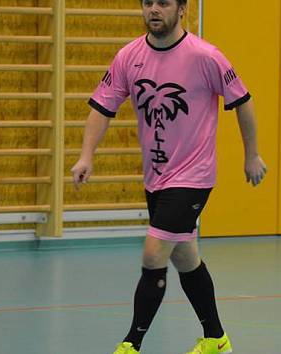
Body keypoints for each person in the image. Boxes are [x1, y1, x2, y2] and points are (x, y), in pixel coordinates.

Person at [70, 0, 267, 353]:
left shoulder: (205, 56)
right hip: (157, 177)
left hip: (194, 175)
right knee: (185, 258)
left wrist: (251, 154)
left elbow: (243, 101)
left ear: (182, 9)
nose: (154, 10)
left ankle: (131, 344)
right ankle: (217, 340)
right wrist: (87, 155)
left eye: (163, 3)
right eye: (148, 3)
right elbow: (102, 106)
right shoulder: (129, 57)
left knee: (153, 253)